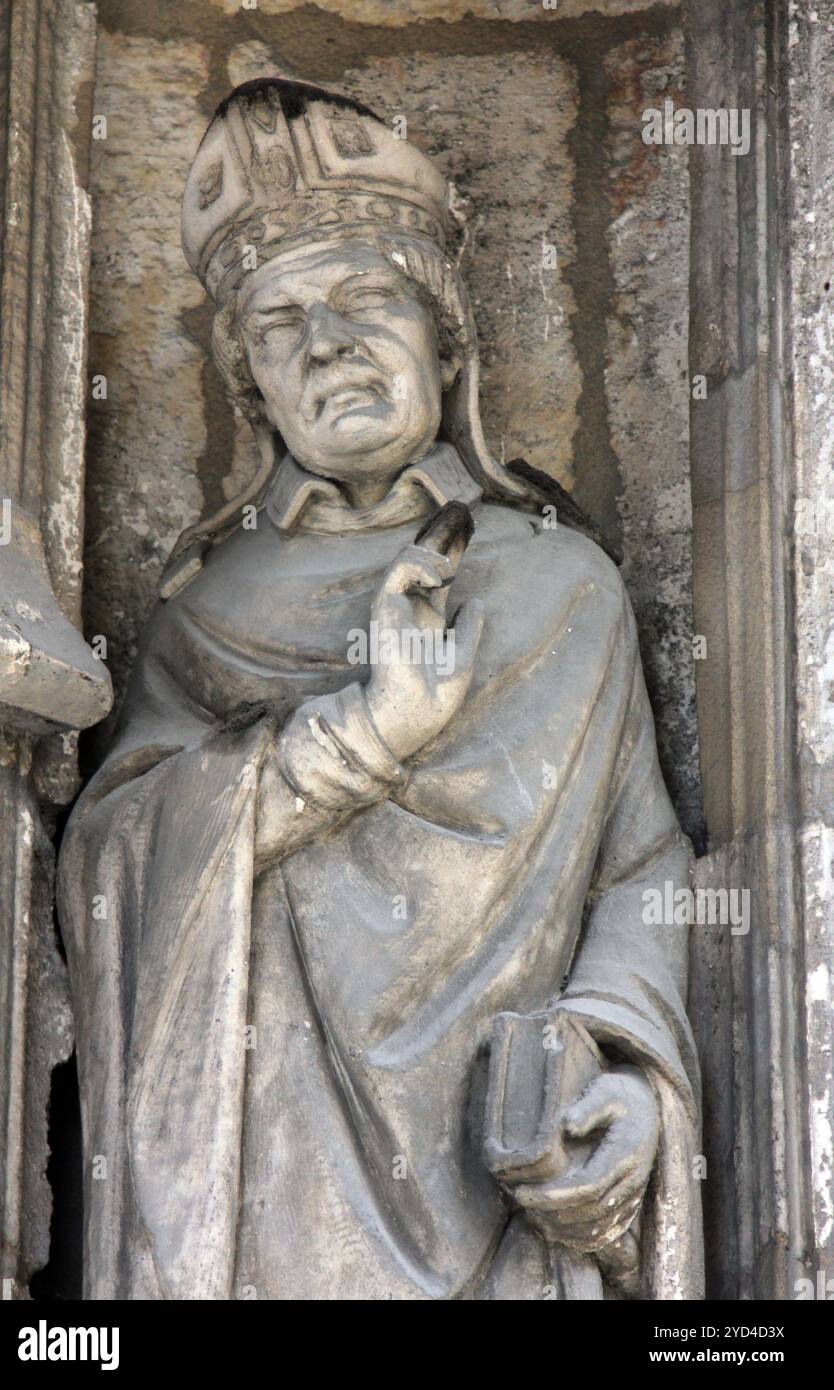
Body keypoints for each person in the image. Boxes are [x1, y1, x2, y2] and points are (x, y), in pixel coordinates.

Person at [58, 79, 703, 1300]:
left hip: (501, 1175)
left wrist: (623, 1070)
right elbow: (111, 883)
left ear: (443, 335)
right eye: (278, 321)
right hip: (256, 1209)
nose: (325, 346)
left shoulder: (561, 588)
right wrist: (357, 739)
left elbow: (644, 870)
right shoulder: (205, 617)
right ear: (247, 380)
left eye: (363, 298)